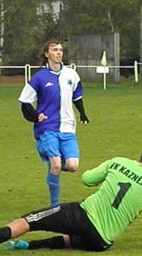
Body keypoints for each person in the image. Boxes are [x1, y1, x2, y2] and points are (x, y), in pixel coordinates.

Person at [0, 142, 142, 255]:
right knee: (72, 240)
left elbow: (87, 179)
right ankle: (28, 247)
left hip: (83, 215)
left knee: (32, 219)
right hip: (101, 241)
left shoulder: (117, 161)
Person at [19, 40, 89, 207]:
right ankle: (54, 206)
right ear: (46, 54)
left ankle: (53, 164)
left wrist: (83, 114)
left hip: (68, 127)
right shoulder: (39, 78)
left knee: (72, 166)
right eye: (55, 50)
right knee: (57, 164)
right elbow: (25, 102)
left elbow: (77, 96)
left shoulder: (71, 74)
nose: (59, 53)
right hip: (47, 127)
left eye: (61, 50)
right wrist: (35, 117)